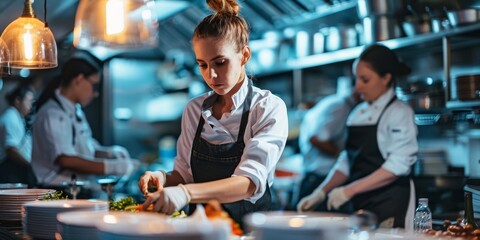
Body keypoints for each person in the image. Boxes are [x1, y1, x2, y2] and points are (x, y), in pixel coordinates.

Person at [137, 0, 288, 227]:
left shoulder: (267, 108)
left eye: (220, 63)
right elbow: (184, 174)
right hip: (197, 231)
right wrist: (162, 177)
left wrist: (185, 194)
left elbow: (248, 183)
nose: (212, 76)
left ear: (244, 55)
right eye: (203, 65)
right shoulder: (194, 110)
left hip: (246, 232)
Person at [297, 44, 418, 229]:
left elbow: (398, 166)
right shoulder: (357, 113)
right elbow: (347, 159)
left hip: (390, 203)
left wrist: (348, 190)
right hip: (360, 204)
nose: (358, 86)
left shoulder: (399, 113)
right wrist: (320, 192)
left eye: (365, 79)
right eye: (357, 79)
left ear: (386, 78)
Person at [31, 52, 137, 195]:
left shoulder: (76, 110)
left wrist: (110, 153)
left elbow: (86, 147)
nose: (96, 93)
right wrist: (112, 167)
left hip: (77, 190)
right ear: (79, 79)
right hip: (59, 193)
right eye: (94, 86)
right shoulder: (53, 113)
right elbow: (66, 159)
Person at [296, 88, 360, 211]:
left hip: (315, 178)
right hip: (319, 179)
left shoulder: (333, 101)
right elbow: (316, 139)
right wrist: (340, 154)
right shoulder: (341, 107)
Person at [0, 82, 36, 187]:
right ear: (17, 101)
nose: (30, 106)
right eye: (28, 101)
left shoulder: (18, 117)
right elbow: (11, 149)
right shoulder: (10, 117)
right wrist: (30, 165)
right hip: (9, 171)